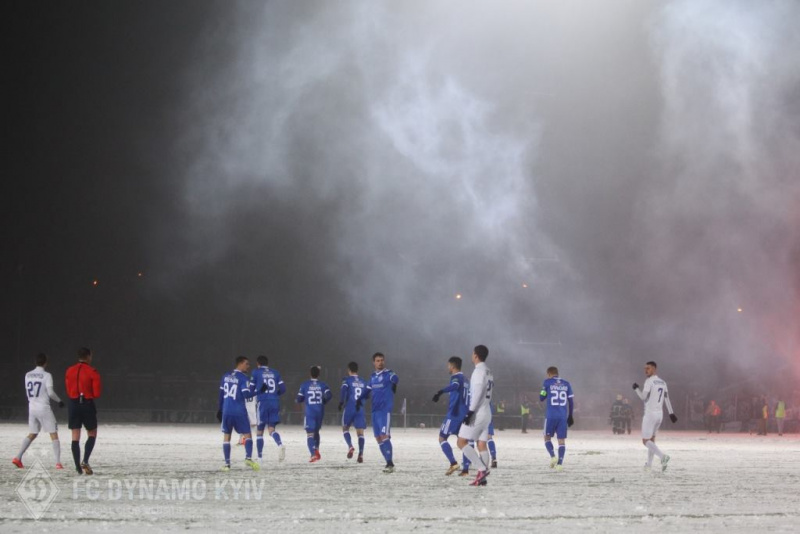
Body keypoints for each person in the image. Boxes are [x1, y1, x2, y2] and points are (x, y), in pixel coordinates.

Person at [13, 353, 65, 470]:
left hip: (32, 407)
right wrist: (59, 401)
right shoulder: (47, 375)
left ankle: (18, 457)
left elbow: (28, 391)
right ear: (46, 362)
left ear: (35, 362)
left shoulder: (27, 375)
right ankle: (58, 463)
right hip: (43, 408)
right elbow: (50, 392)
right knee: (54, 434)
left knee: (33, 433)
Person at [457, 345, 494, 487]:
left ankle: (482, 469)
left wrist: (470, 412)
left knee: (461, 442)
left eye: (473, 353)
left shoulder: (478, 371)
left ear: (476, 355)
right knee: (482, 444)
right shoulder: (489, 371)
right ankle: (482, 478)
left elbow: (478, 393)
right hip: (487, 411)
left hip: (477, 413)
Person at [633, 361, 677, 471]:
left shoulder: (649, 381)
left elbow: (643, 397)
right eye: (645, 368)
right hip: (659, 415)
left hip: (650, 414)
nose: (645, 370)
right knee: (652, 440)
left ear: (654, 369)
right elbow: (666, 398)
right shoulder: (663, 382)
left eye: (648, 368)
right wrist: (671, 413)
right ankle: (649, 464)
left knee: (645, 441)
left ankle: (663, 457)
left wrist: (636, 389)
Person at [218, 356, 260, 471]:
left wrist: (219, 409)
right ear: (240, 363)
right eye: (247, 364)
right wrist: (259, 391)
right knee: (248, 435)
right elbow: (246, 395)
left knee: (227, 437)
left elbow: (221, 394)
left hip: (226, 411)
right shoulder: (243, 378)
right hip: (239, 411)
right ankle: (248, 458)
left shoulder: (225, 376)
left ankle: (227, 464)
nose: (248, 366)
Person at [65, 348, 102, 475]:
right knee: (92, 433)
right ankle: (85, 460)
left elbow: (68, 389)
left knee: (75, 435)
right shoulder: (93, 372)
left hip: (73, 404)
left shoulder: (69, 370)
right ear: (88, 357)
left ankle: (77, 467)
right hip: (86, 403)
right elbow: (96, 393)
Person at [431, 356, 468, 475]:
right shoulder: (466, 379)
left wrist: (440, 392)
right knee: (463, 442)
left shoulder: (456, 377)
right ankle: (466, 469)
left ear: (452, 366)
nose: (448, 368)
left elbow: (455, 386)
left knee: (442, 438)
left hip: (454, 414)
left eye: (448, 365)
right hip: (465, 414)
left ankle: (453, 463)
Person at [364, 352, 399, 473]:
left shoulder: (388, 373)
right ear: (374, 362)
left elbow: (395, 378)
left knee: (385, 436)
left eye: (382, 360)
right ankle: (388, 463)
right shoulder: (373, 376)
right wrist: (358, 401)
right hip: (375, 411)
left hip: (385, 410)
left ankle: (390, 464)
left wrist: (394, 382)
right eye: (378, 360)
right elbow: (367, 390)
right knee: (378, 438)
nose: (380, 362)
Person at [251, 355, 287, 462]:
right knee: (271, 430)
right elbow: (283, 389)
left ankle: (260, 457)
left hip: (263, 402)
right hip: (274, 402)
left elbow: (251, 389)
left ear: (258, 364)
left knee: (260, 431)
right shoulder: (275, 372)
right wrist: (275, 395)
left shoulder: (256, 372)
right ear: (267, 363)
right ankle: (280, 444)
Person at [539, 366, 574, 471]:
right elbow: (571, 401)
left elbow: (541, 398)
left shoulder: (547, 382)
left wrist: (544, 391)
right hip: (562, 417)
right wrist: (570, 415)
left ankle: (553, 456)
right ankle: (560, 464)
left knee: (546, 438)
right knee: (561, 441)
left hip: (550, 416)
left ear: (549, 373)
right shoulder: (567, 384)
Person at [296, 366, 332, 462]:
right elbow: (329, 395)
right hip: (320, 411)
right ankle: (317, 449)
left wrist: (304, 398)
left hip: (310, 411)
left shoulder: (305, 385)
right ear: (319, 374)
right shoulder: (323, 384)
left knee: (310, 434)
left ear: (310, 374)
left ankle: (312, 455)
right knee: (316, 432)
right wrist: (323, 401)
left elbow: (299, 399)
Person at [339, 361, 367, 462]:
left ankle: (350, 446)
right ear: (357, 370)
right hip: (360, 408)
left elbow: (343, 391)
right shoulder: (363, 381)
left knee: (345, 428)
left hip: (350, 407)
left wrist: (341, 402)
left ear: (349, 370)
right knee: (360, 433)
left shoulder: (347, 380)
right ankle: (361, 454)